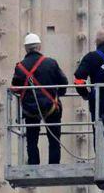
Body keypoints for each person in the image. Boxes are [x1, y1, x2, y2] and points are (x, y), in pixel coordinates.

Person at [12, 33, 69, 165]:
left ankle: (33, 163)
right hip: (51, 106)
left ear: (26, 48)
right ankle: (54, 164)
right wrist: (58, 94)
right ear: (39, 46)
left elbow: (15, 87)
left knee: (32, 139)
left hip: (30, 109)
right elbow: (63, 82)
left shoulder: (20, 67)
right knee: (54, 138)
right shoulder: (51, 63)